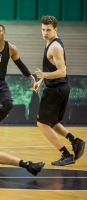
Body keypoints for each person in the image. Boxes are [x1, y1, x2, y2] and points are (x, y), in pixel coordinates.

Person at [34, 15, 85, 166]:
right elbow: (53, 68)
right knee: (53, 122)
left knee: (42, 124)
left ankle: (66, 155)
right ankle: (75, 141)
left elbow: (62, 71)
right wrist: (41, 80)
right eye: (43, 29)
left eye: (48, 30)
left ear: (55, 29)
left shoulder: (55, 46)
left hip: (56, 90)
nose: (45, 33)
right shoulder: (50, 42)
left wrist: (44, 75)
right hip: (59, 88)